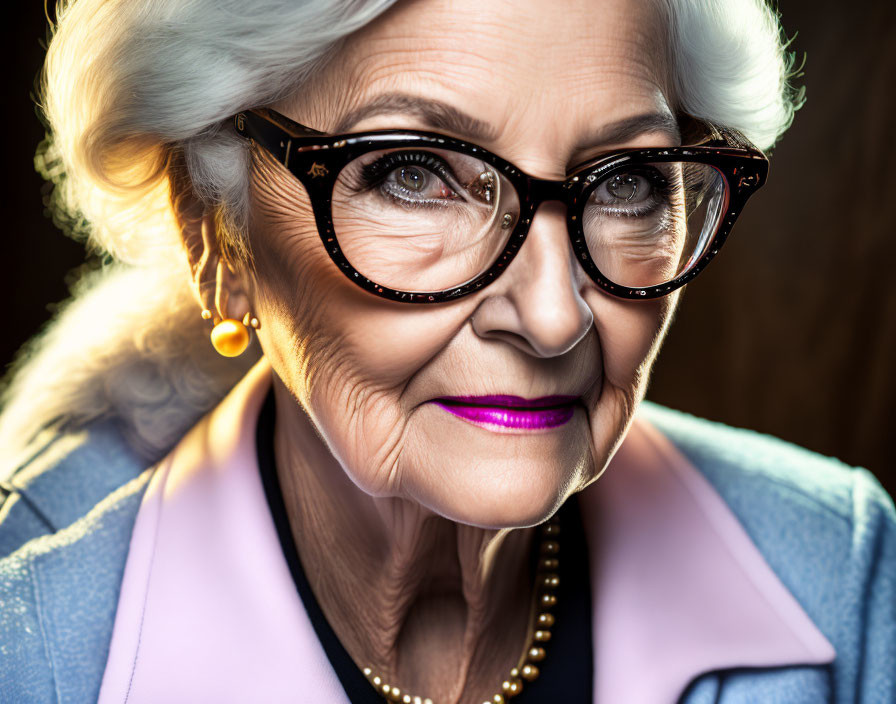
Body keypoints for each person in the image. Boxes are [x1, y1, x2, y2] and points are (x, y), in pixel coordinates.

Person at [1, 0, 893, 701]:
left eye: (625, 183)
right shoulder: (35, 660)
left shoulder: (839, 572)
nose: (552, 319)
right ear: (216, 240)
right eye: (413, 173)